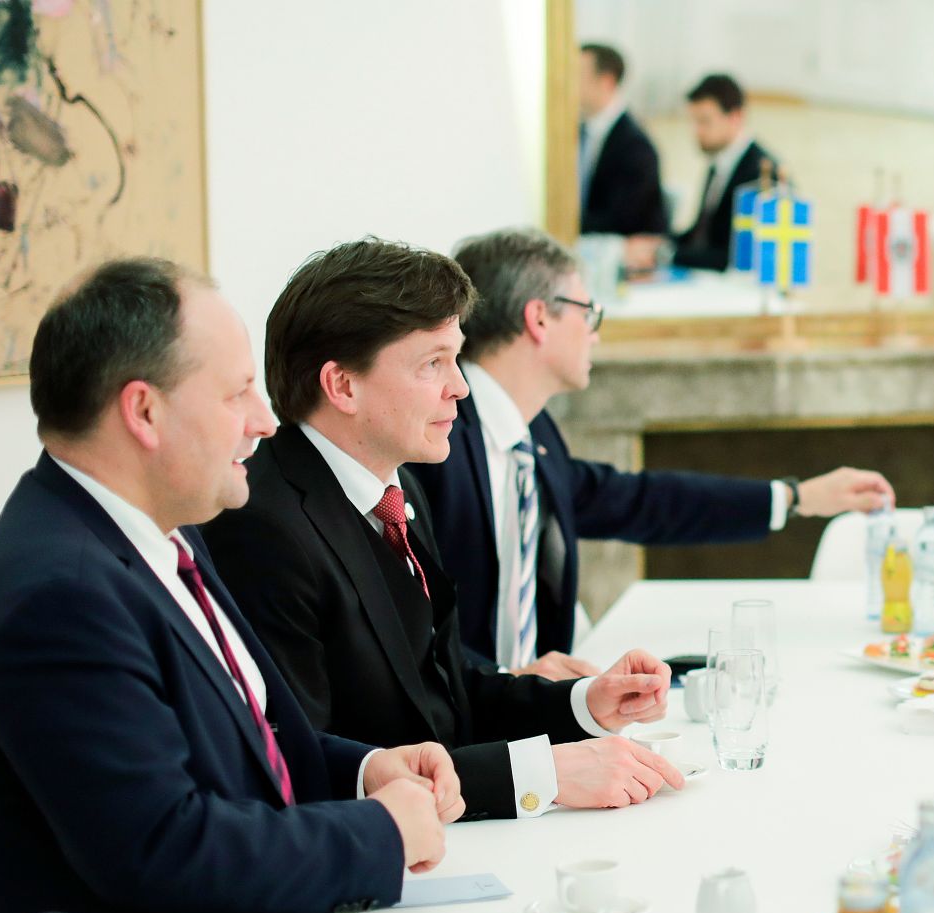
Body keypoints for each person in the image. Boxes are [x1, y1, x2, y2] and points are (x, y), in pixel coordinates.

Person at [0, 259, 457, 913]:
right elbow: (163, 848)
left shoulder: (152, 532)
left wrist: (362, 769)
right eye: (238, 392)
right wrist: (376, 834)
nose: (266, 421)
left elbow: (255, 743)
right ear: (144, 411)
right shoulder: (56, 591)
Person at [201, 238, 684, 820]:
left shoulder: (394, 488)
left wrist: (586, 703)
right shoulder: (260, 525)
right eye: (433, 363)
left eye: (456, 359)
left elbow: (448, 694)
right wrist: (542, 775)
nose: (461, 387)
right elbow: (306, 762)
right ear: (343, 386)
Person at [409, 226, 894, 679]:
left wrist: (794, 497)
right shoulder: (434, 443)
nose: (595, 332)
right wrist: (504, 680)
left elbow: (637, 500)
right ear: (539, 318)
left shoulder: (532, 436)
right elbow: (402, 622)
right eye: (588, 312)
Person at [673, 74, 776, 271]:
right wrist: (661, 244)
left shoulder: (760, 174)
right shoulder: (719, 161)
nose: (697, 131)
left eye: (704, 122)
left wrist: (669, 255)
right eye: (693, 122)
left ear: (736, 117)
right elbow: (702, 234)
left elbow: (736, 256)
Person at [577, 43, 669, 240]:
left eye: (578, 76)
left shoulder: (636, 146)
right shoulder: (578, 133)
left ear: (606, 82)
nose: (569, 84)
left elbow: (621, 220)